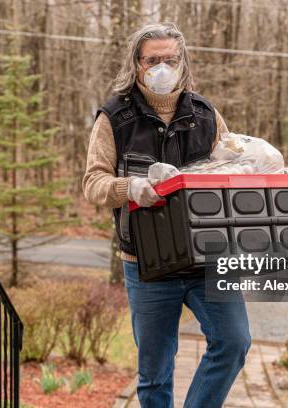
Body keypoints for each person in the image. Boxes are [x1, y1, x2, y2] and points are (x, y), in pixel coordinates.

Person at [83, 22, 251, 408]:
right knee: (155, 375)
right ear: (137, 64)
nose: (162, 67)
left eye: (170, 59)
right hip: (146, 262)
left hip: (205, 257)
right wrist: (131, 188)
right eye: (153, 60)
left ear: (182, 62)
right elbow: (93, 183)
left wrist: (250, 164)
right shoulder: (115, 117)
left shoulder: (205, 114)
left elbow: (230, 166)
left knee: (234, 342)